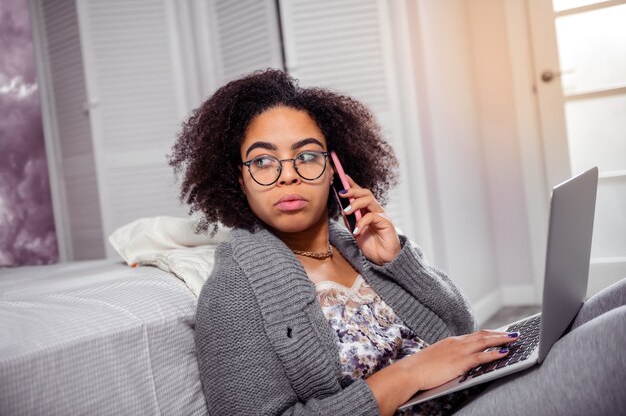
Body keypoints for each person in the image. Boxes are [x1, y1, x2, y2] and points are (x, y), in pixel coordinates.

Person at [169, 69, 626, 416]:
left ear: (334, 169)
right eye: (263, 161)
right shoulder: (232, 293)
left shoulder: (356, 245)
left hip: (470, 391)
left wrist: (398, 262)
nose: (287, 173)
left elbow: (459, 327)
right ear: (238, 179)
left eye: (307, 156)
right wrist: (408, 374)